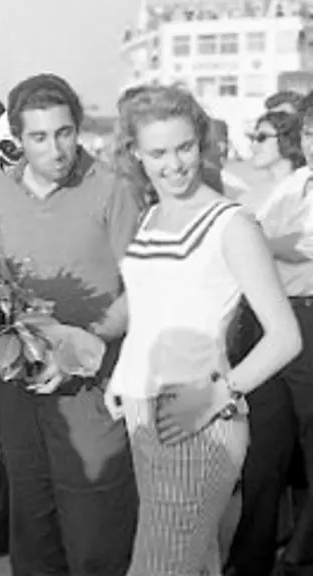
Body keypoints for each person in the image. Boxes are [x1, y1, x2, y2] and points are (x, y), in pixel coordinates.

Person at [109, 84, 301, 575]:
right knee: (194, 562)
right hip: (140, 411)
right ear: (135, 153)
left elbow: (285, 337)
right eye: (158, 152)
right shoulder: (152, 216)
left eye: (185, 147)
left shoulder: (231, 224)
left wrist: (220, 395)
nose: (174, 164)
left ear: (201, 142)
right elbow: (151, 310)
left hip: (199, 418)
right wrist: (122, 376)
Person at [0, 73, 141, 576]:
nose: (57, 149)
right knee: (34, 522)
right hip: (19, 388)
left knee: (96, 528)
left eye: (65, 132)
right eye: (40, 137)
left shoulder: (112, 189)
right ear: (17, 140)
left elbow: (142, 290)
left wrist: (90, 339)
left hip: (90, 386)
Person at [234, 104, 313, 576]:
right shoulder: (282, 189)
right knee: (263, 446)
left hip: (306, 315)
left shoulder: (299, 188)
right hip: (271, 316)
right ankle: (252, 556)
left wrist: (254, 238)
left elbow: (306, 244)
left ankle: (299, 552)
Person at [240, 111, 304, 214]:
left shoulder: (305, 191)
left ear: (286, 138)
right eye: (252, 138)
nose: (252, 146)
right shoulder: (251, 196)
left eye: (262, 137)